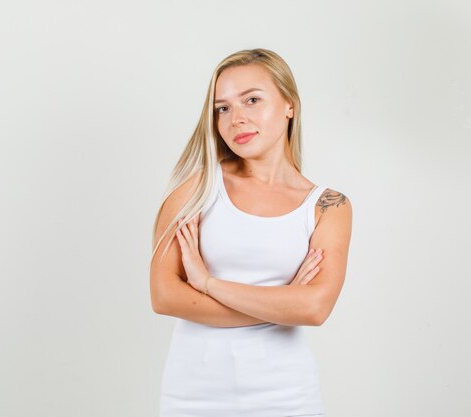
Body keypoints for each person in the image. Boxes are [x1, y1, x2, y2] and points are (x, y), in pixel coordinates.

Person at [150, 48, 352, 417]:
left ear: (289, 105)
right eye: (222, 108)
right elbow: (164, 296)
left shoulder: (328, 206)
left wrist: (208, 284)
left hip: (286, 398)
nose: (236, 119)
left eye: (252, 100)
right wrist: (283, 301)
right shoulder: (194, 190)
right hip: (192, 397)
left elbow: (315, 308)